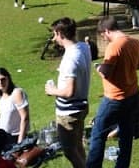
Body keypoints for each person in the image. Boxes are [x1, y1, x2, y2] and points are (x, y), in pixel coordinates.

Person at [86, 16, 139, 168]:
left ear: (106, 31)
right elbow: (138, 66)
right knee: (126, 135)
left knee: (98, 134)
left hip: (115, 98)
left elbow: (106, 73)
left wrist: (98, 67)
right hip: (132, 95)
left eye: (103, 35)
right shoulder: (135, 42)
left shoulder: (114, 46)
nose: (103, 38)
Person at [45, 18, 90, 168]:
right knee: (77, 145)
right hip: (81, 106)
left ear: (60, 33)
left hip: (69, 113)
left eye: (54, 34)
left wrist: (52, 91)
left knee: (69, 151)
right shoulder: (84, 47)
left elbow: (69, 91)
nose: (54, 38)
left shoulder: (70, 58)